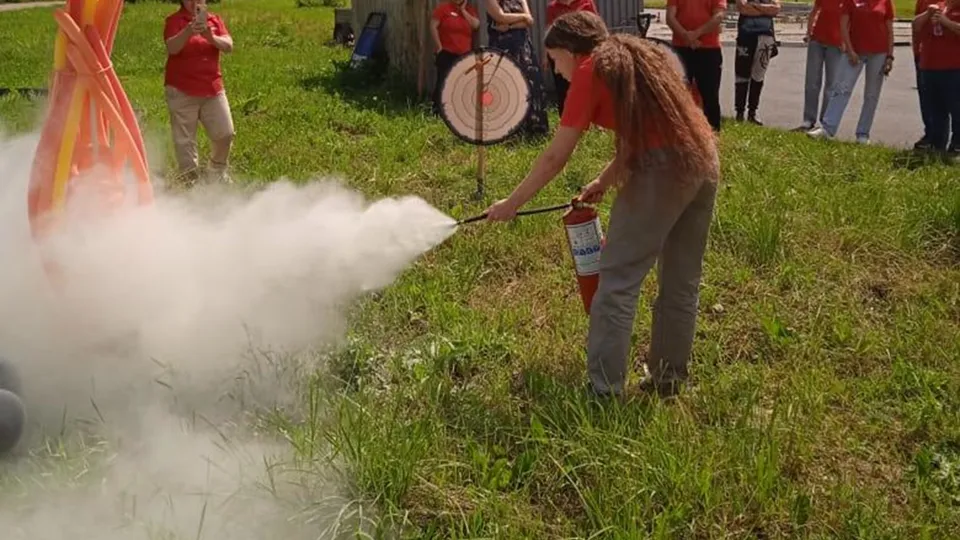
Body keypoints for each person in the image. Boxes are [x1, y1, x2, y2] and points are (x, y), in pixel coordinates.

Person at [484, 11, 720, 399]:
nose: (555, 71)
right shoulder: (635, 59)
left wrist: (511, 203)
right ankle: (668, 380)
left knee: (616, 280)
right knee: (681, 281)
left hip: (663, 170)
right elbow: (642, 133)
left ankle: (603, 390)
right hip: (703, 160)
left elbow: (554, 157)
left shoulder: (592, 69)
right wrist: (603, 181)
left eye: (555, 59)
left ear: (572, 51)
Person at [163, 0, 235, 185]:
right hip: (181, 89)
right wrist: (188, 31)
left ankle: (216, 171)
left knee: (225, 133)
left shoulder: (214, 20)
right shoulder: (174, 21)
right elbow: (172, 48)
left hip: (212, 88)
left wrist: (210, 37)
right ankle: (189, 181)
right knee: (185, 140)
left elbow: (228, 46)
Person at [808, 0, 895, 144]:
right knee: (842, 88)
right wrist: (850, 50)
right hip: (855, 51)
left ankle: (863, 133)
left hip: (879, 52)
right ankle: (828, 128)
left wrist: (890, 56)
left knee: (871, 94)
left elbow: (889, 29)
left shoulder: (885, 2)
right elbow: (843, 26)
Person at [485, 0, 550, 138]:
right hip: (503, 49)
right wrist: (522, 18)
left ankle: (534, 130)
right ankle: (510, 132)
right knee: (506, 88)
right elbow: (500, 16)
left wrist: (508, 25)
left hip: (523, 48)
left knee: (531, 84)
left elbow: (530, 21)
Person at [666, 0, 728, 132]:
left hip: (709, 49)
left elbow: (718, 16)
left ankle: (713, 133)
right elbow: (670, 18)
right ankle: (679, 133)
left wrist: (695, 34)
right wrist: (685, 36)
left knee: (710, 95)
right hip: (681, 49)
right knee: (678, 93)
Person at [913, 0, 960, 156]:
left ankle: (957, 145)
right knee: (936, 110)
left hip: (954, 66)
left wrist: (946, 22)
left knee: (956, 109)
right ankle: (937, 144)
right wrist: (927, 14)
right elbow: (916, 26)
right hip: (930, 65)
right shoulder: (939, 6)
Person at [796, 0, 844, 132]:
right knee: (812, 82)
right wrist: (808, 32)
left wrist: (846, 41)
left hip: (836, 44)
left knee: (831, 85)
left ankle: (825, 122)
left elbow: (852, 21)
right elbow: (814, 12)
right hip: (817, 41)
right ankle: (808, 120)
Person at [545, 0, 599, 116]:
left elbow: (596, 26)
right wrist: (546, 55)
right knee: (562, 90)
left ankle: (588, 118)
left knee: (584, 87)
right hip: (561, 56)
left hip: (582, 53)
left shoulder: (586, 3)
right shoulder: (552, 7)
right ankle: (565, 117)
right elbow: (549, 32)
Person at [734, 0, 781, 125]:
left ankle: (752, 113)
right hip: (745, 37)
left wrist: (754, 6)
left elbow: (776, 9)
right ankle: (739, 112)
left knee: (758, 77)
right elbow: (742, 7)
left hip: (765, 38)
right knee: (741, 76)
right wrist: (765, 10)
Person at [430, 0, 480, 116]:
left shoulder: (470, 10)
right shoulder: (443, 9)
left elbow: (476, 25)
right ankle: (437, 111)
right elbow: (433, 26)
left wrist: (463, 11)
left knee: (461, 84)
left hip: (464, 54)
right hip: (447, 52)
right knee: (443, 82)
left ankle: (456, 113)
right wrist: (439, 47)